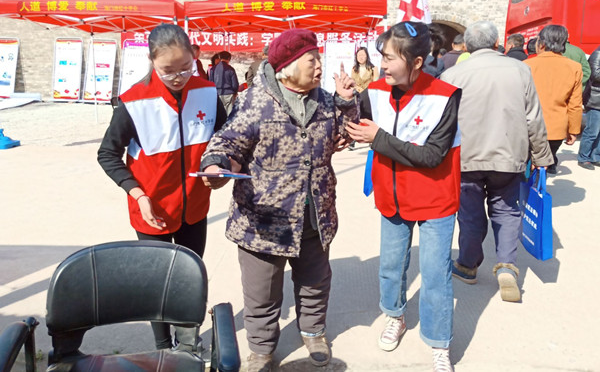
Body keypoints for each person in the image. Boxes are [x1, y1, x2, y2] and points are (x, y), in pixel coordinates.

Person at [200, 28, 359, 372]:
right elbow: (227, 142)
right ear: (286, 68)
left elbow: (345, 134)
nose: (319, 66)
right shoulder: (254, 102)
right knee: (262, 293)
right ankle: (261, 349)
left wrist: (347, 102)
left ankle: (313, 332)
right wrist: (216, 165)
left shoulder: (326, 101)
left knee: (315, 282)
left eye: (319, 58)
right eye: (311, 60)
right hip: (264, 221)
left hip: (314, 214)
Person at [97, 24, 227, 350]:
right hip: (151, 209)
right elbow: (107, 154)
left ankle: (188, 341)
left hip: (194, 206)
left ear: (195, 56)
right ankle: (162, 347)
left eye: (185, 67)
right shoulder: (133, 102)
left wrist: (218, 165)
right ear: (151, 60)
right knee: (157, 281)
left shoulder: (207, 92)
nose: (178, 76)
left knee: (189, 277)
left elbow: (225, 139)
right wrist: (137, 193)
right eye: (168, 70)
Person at [347, 22, 461, 372]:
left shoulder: (445, 96)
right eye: (381, 56)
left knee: (436, 275)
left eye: (390, 58)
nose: (382, 65)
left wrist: (379, 138)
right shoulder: (375, 91)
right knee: (391, 266)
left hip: (435, 200)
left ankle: (439, 342)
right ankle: (394, 316)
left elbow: (432, 156)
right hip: (392, 197)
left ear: (417, 62)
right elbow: (355, 125)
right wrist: (344, 101)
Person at [441, 21, 553, 302]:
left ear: (466, 47)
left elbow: (443, 122)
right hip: (509, 154)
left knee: (469, 214)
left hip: (466, 157)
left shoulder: (452, 75)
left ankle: (467, 265)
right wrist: (541, 156)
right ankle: (506, 266)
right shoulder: (520, 70)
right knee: (506, 210)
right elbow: (533, 117)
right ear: (495, 44)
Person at [525, 25, 583, 174]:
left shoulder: (526, 65)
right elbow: (575, 104)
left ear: (542, 43)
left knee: (525, 168)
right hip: (556, 129)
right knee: (543, 167)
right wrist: (573, 129)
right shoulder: (575, 67)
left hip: (527, 127)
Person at [577, 46, 600, 169]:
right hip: (595, 99)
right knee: (592, 130)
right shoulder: (597, 54)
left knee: (598, 132)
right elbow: (595, 75)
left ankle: (595, 157)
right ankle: (583, 157)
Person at [209, 50, 239, 115]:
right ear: (229, 59)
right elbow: (235, 84)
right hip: (229, 94)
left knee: (219, 114)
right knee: (229, 114)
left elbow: (210, 83)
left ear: (220, 57)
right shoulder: (230, 69)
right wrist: (235, 92)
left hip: (217, 94)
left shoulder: (213, 69)